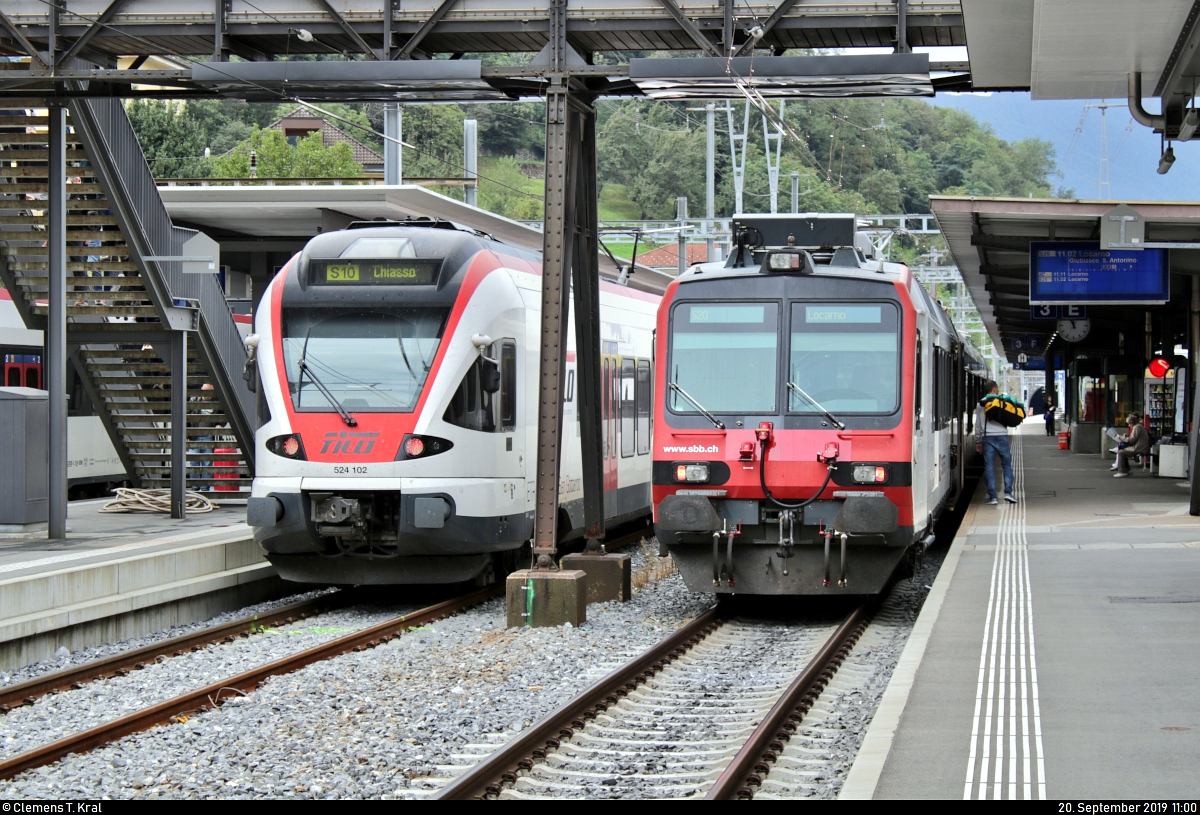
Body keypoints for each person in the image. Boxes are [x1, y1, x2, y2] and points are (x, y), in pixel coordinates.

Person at [975, 380, 1017, 505]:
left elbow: (978, 424)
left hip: (987, 437)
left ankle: (993, 497)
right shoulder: (1002, 401)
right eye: (997, 388)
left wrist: (978, 440)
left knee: (989, 466)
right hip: (1003, 436)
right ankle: (1008, 493)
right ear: (994, 389)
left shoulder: (981, 403)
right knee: (1007, 465)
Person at [1112, 412, 1151, 477]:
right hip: (1141, 446)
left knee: (1121, 453)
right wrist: (1126, 437)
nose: (1129, 425)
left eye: (1129, 423)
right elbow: (1133, 438)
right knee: (1123, 452)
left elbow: (1131, 440)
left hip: (1139, 448)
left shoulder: (1137, 427)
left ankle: (1123, 471)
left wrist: (1120, 437)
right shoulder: (1139, 426)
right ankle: (1126, 469)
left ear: (1132, 422)